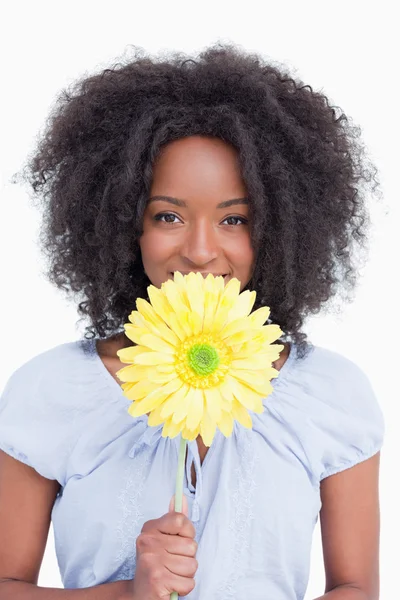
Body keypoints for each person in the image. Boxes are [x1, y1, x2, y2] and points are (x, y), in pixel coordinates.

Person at [0, 43, 385, 600]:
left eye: (235, 219)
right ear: (122, 223)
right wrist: (123, 594)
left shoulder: (332, 395)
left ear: (281, 229)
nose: (201, 252)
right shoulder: (51, 391)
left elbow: (356, 589)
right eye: (169, 216)